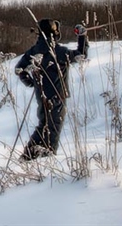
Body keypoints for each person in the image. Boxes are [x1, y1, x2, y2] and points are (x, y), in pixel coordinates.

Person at [14, 19, 88, 160]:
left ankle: (28, 157)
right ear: (55, 33)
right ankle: (45, 158)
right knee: (53, 128)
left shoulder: (34, 51)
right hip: (58, 96)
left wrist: (31, 82)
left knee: (44, 125)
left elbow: (19, 69)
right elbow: (81, 54)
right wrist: (82, 36)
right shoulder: (60, 52)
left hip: (41, 97)